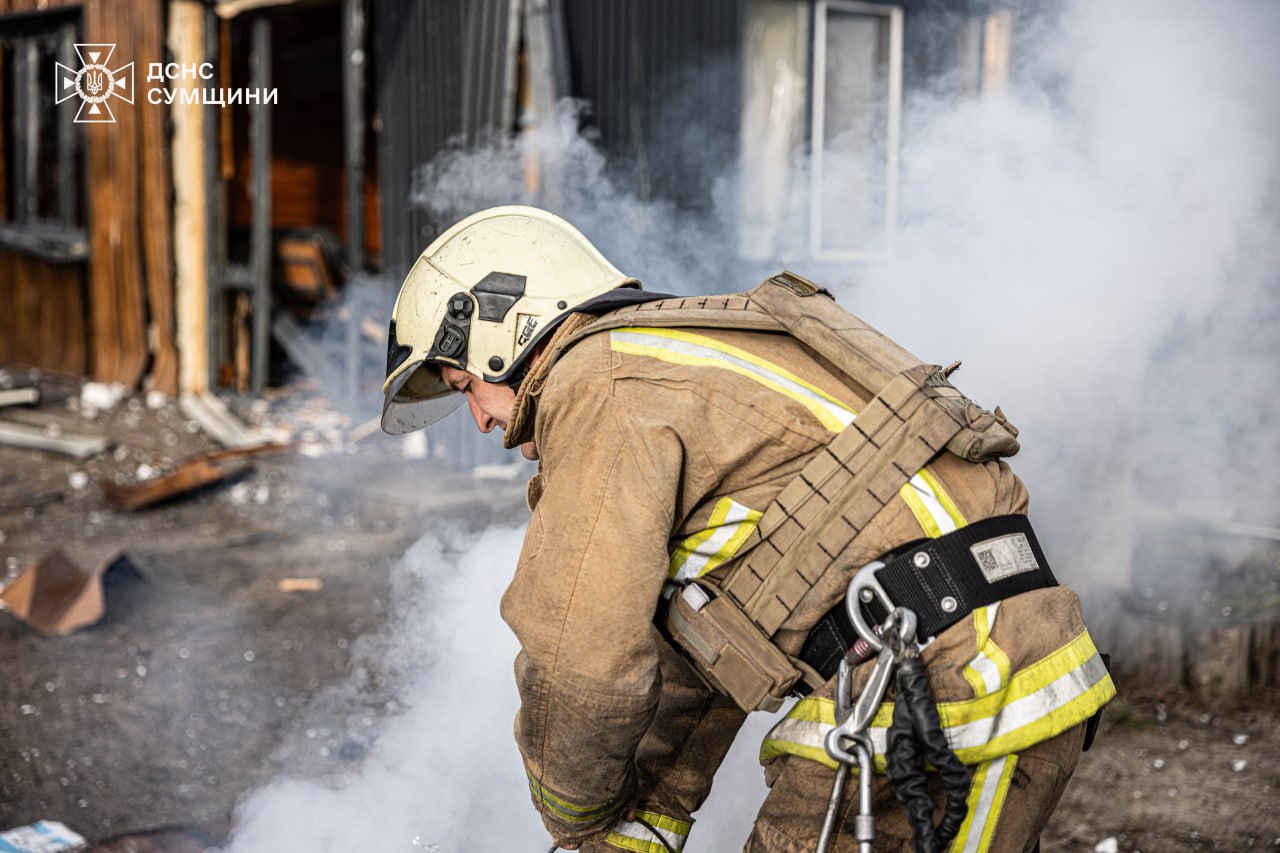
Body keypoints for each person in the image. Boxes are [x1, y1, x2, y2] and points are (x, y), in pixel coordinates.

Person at [381, 205, 1114, 853]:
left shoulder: (598, 383)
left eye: (463, 385)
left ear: (500, 329)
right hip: (1000, 663)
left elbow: (582, 658)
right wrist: (634, 825)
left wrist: (574, 816)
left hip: (934, 688)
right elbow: (710, 642)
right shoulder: (690, 353)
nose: (482, 420)